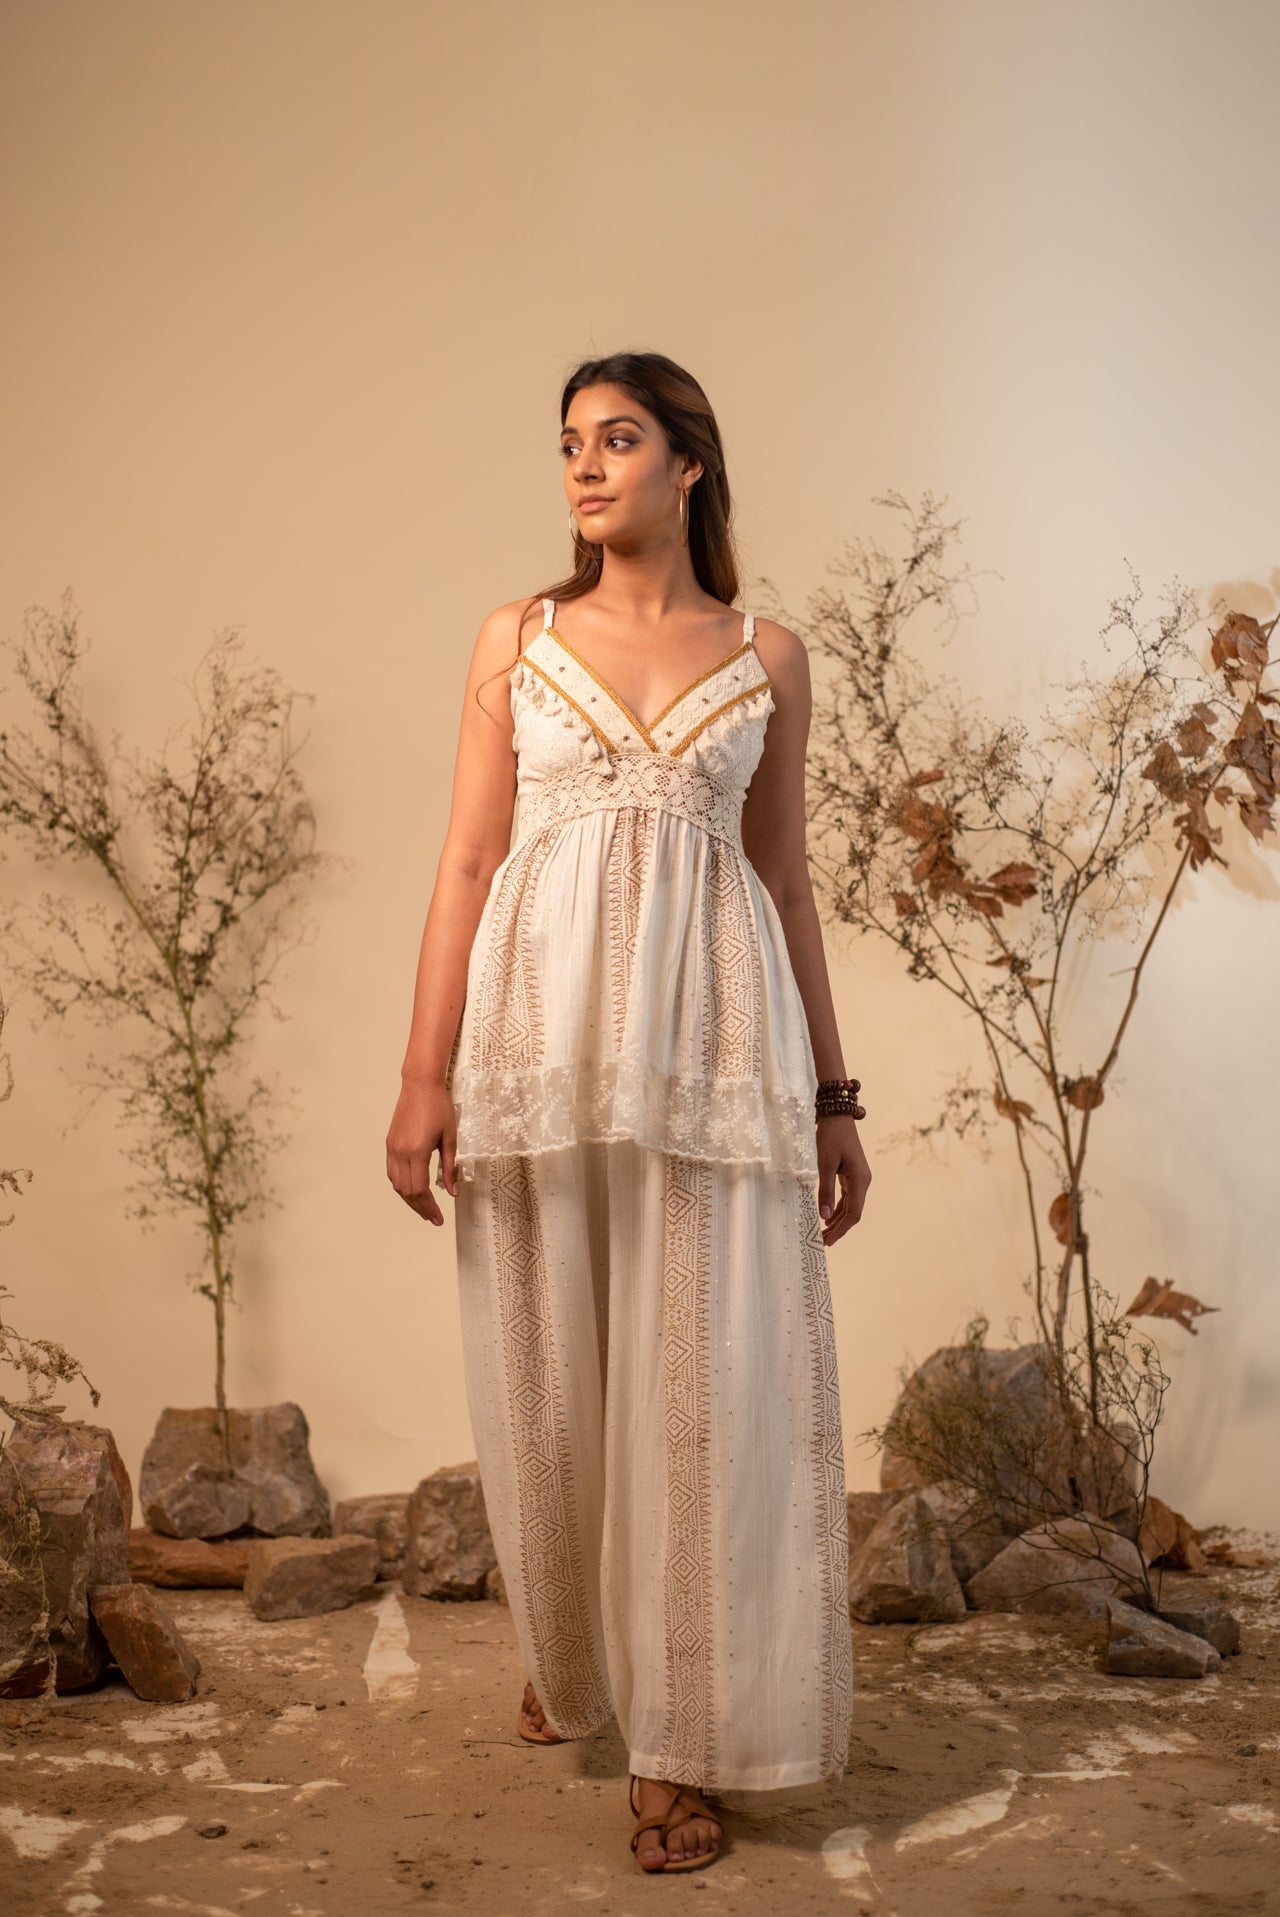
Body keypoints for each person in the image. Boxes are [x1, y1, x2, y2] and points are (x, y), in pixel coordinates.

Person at [386, 349, 871, 1874]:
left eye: (617, 439)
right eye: (569, 445)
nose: (585, 468)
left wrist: (835, 1096)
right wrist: (423, 1072)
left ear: (689, 463)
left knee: (699, 1384)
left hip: (714, 1055)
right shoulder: (517, 640)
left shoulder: (769, 654)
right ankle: (581, 1654)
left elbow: (784, 879)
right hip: (542, 1050)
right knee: (552, 1364)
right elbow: (469, 861)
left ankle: (678, 1743)